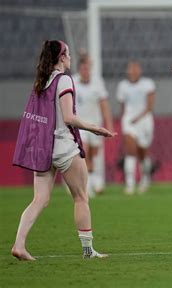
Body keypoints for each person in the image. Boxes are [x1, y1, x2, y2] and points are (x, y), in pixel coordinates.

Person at [11, 40, 115, 260]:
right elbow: (68, 117)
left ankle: (19, 244)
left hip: (42, 148)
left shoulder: (41, 81)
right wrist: (95, 128)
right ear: (61, 57)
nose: (70, 57)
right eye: (67, 53)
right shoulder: (64, 79)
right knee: (80, 197)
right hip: (63, 147)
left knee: (39, 199)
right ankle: (88, 251)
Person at [73, 54, 113, 198]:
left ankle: (95, 181)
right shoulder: (73, 81)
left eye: (87, 68)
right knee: (85, 152)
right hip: (80, 125)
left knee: (94, 154)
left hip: (95, 124)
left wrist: (108, 123)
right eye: (83, 68)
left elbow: (103, 104)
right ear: (79, 69)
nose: (86, 71)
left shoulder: (97, 82)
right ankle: (88, 187)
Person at [116, 60, 156, 195]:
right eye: (131, 69)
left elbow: (149, 107)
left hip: (144, 122)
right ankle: (130, 184)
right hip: (129, 122)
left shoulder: (148, 84)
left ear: (140, 70)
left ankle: (145, 179)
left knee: (143, 154)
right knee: (130, 150)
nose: (133, 71)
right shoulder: (122, 86)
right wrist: (126, 119)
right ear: (127, 71)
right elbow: (122, 106)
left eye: (135, 69)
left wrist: (137, 118)